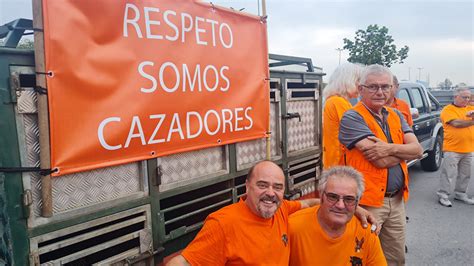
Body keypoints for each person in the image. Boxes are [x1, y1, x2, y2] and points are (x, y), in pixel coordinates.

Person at [166, 161, 377, 265]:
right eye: (262, 185)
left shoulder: (282, 209)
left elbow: (313, 203)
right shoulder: (223, 223)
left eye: (277, 187)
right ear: (247, 187)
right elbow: (180, 263)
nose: (270, 193)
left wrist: (351, 207)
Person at [339, 64, 423, 265]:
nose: (380, 92)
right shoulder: (352, 117)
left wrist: (388, 147)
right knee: (364, 256)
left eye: (385, 87)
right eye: (373, 87)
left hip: (397, 200)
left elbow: (418, 150)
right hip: (368, 203)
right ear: (361, 89)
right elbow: (380, 160)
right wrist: (402, 150)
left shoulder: (396, 115)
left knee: (395, 257)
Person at [289, 166, 387, 266]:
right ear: (321, 196)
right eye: (332, 197)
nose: (340, 205)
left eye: (349, 199)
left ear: (358, 202)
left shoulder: (366, 231)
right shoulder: (293, 228)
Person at [436, 87, 474, 207]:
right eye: (464, 97)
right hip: (452, 148)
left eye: (468, 97)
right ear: (455, 97)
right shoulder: (448, 110)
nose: (467, 99)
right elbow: (456, 123)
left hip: (468, 148)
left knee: (465, 174)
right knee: (448, 173)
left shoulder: (470, 109)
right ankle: (443, 195)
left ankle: (460, 193)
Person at [322, 63, 363, 169]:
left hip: (335, 161)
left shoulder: (334, 100)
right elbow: (357, 132)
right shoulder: (338, 102)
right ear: (348, 81)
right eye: (358, 80)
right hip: (340, 163)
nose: (361, 85)